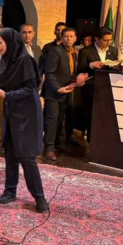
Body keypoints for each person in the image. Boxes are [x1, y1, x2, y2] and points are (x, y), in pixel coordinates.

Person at [0, 28, 49, 213]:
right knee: (10, 152)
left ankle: (39, 197)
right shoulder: (7, 59)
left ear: (10, 42)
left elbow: (31, 89)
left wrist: (7, 95)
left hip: (27, 113)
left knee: (26, 156)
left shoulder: (25, 60)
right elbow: (5, 83)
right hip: (11, 110)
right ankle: (10, 191)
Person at [42, 27, 88, 161]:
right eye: (66, 36)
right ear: (61, 38)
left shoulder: (73, 52)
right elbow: (49, 73)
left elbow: (70, 72)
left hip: (66, 91)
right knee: (52, 120)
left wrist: (77, 81)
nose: (68, 39)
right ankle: (48, 149)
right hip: (53, 92)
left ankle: (56, 144)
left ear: (75, 38)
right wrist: (57, 89)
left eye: (71, 36)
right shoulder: (55, 51)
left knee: (59, 121)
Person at [77, 26, 118, 142]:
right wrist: (91, 65)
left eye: (110, 40)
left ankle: (104, 142)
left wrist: (117, 65)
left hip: (107, 89)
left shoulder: (113, 50)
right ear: (97, 39)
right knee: (91, 117)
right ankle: (91, 143)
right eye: (105, 40)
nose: (108, 43)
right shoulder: (85, 51)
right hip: (91, 89)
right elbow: (80, 69)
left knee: (105, 117)